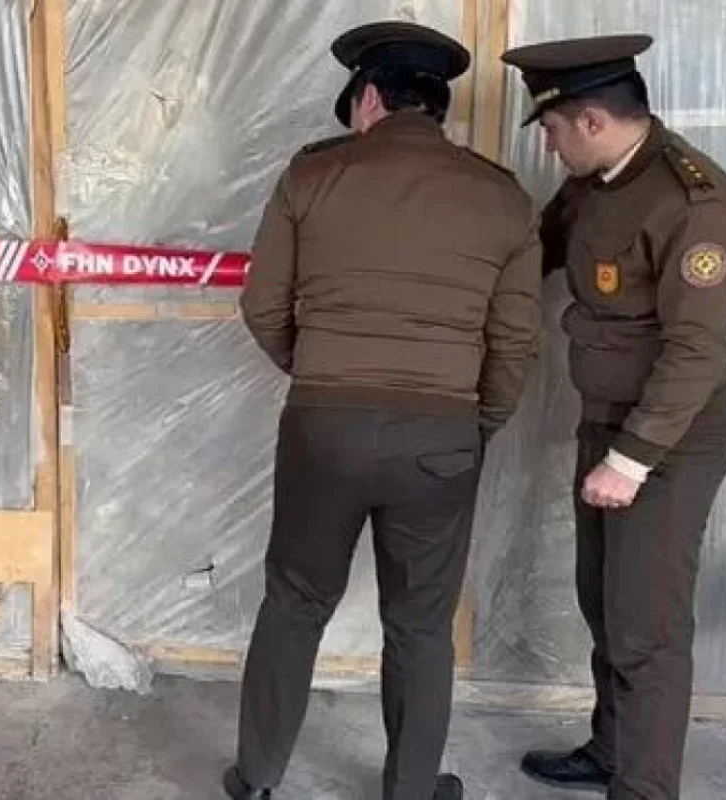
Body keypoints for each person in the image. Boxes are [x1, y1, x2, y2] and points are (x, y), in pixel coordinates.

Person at [224, 20, 542, 800]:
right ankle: (410, 788)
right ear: (437, 106)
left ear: (368, 98)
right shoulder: (502, 195)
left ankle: (258, 780)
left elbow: (262, 304)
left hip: (323, 427)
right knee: (422, 623)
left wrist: (323, 376)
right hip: (442, 436)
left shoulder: (311, 177)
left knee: (295, 603)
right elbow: (516, 341)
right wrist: (473, 423)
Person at [501, 35, 726, 799]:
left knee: (647, 628)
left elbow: (695, 353)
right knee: (605, 602)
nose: (548, 145)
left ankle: (644, 787)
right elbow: (537, 249)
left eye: (552, 129)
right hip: (607, 421)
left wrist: (631, 459)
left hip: (668, 439)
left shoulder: (695, 203)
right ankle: (613, 749)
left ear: (591, 121)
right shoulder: (595, 180)